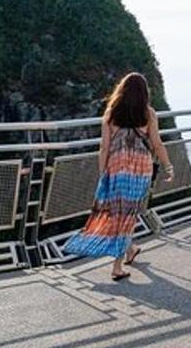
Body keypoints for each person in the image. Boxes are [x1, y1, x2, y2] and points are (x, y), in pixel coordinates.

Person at [64, 72, 174, 280]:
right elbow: (157, 144)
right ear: (144, 93)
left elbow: (104, 147)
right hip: (141, 169)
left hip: (116, 168)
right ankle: (117, 266)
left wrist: (103, 172)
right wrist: (168, 166)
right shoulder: (148, 113)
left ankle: (130, 250)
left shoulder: (111, 113)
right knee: (129, 212)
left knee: (120, 212)